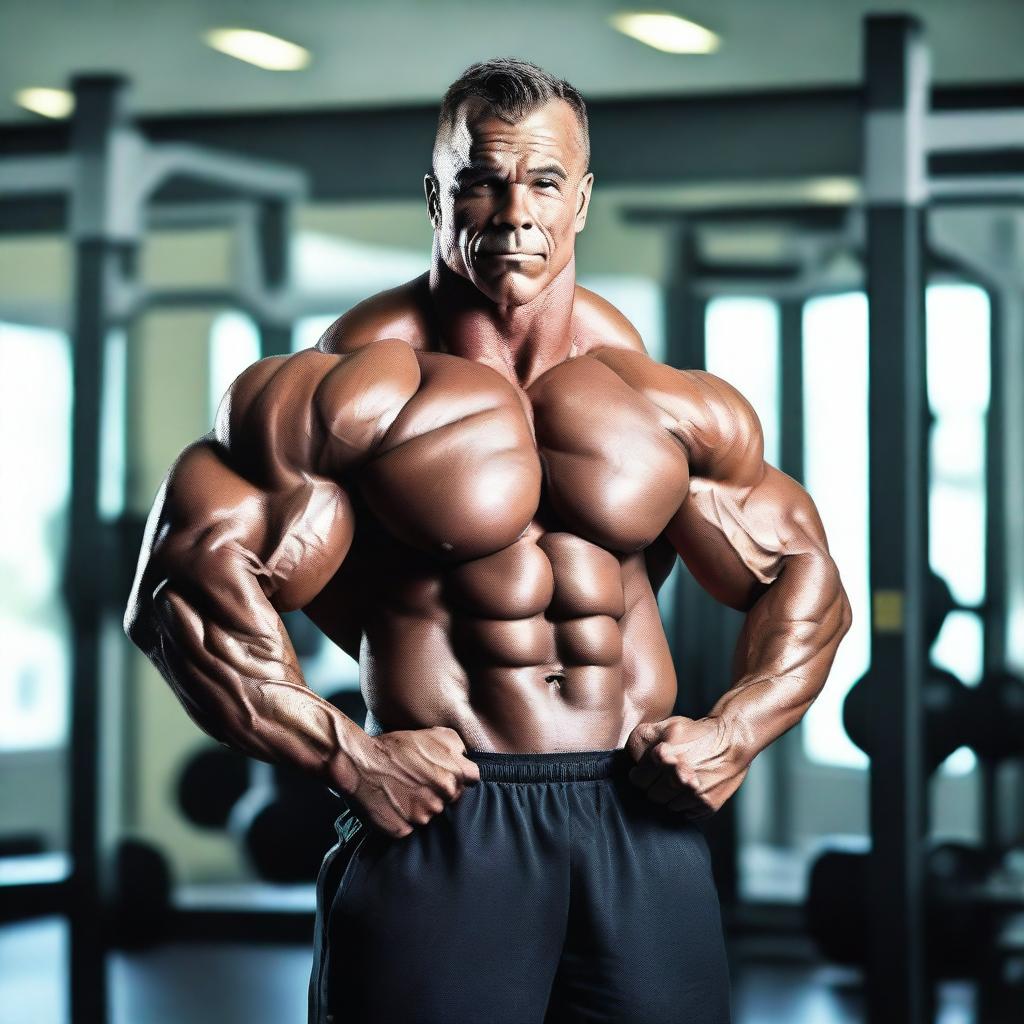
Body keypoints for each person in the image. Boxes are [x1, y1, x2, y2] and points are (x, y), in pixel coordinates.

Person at [125, 57, 852, 1024]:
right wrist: (348, 757)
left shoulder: (663, 400)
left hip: (637, 814)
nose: (514, 210)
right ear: (436, 192)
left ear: (582, 199)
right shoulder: (348, 387)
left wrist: (736, 732)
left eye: (545, 181)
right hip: (447, 814)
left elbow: (804, 573)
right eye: (481, 178)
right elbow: (178, 593)